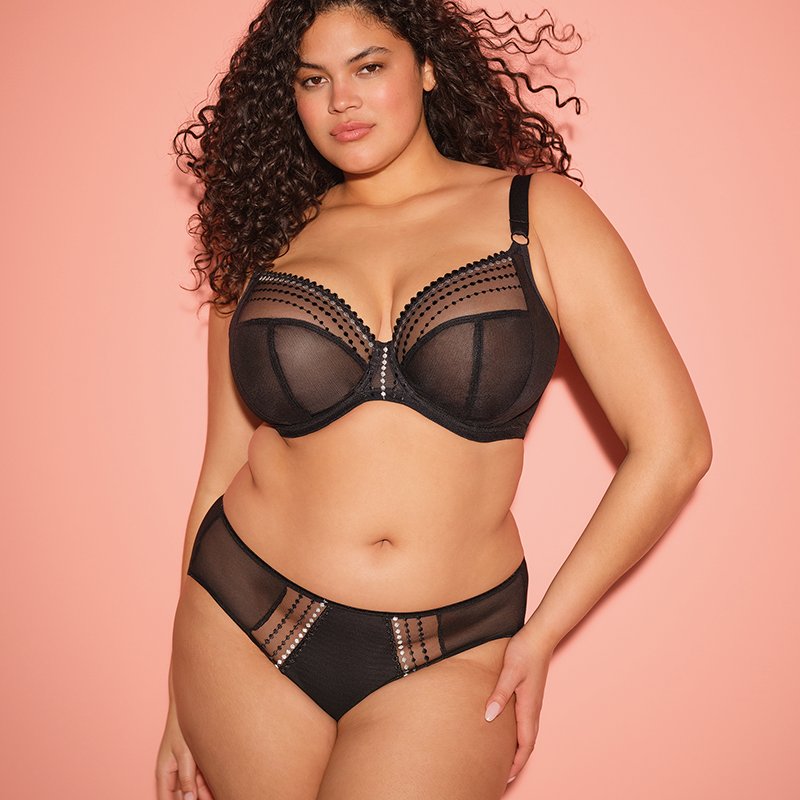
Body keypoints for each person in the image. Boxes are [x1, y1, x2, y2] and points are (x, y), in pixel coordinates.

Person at [156, 0, 712, 797]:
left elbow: (675, 446)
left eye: (368, 67)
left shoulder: (536, 216)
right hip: (240, 618)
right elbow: (220, 466)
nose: (341, 100)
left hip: (450, 645)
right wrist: (178, 693)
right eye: (313, 79)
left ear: (425, 67)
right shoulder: (264, 238)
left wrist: (544, 634)